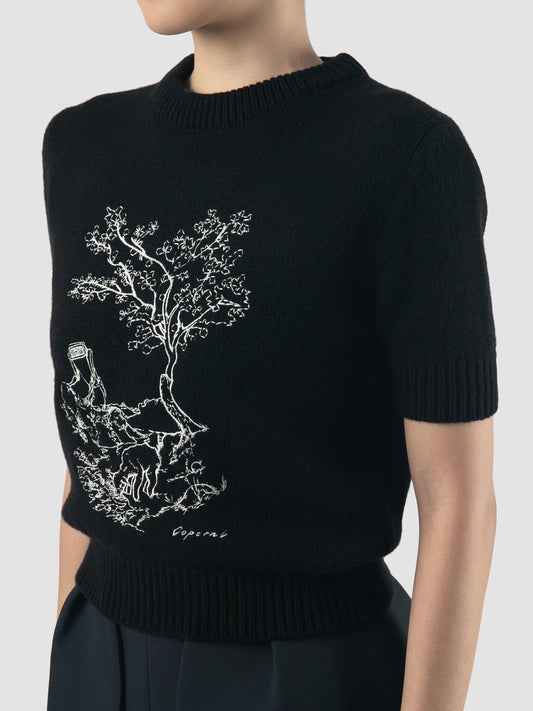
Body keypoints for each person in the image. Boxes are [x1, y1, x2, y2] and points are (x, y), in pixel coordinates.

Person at [44, 1, 498, 710]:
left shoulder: (406, 156)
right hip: (97, 655)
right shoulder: (81, 144)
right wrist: (69, 646)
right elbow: (85, 469)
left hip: (309, 672)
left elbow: (458, 499)